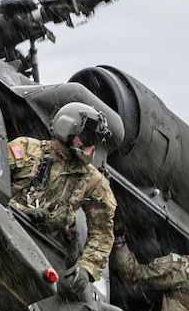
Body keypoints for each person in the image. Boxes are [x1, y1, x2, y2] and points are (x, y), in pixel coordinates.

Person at [8, 102, 117, 296]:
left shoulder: (93, 181)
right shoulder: (25, 149)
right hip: (5, 229)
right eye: (87, 137)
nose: (90, 145)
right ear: (67, 127)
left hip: (43, 251)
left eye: (94, 141)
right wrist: (19, 210)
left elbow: (103, 233)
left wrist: (87, 268)